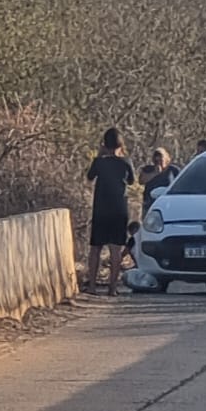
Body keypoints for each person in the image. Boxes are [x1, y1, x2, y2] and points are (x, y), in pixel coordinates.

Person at [86, 127, 135, 296]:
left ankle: (91, 286)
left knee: (96, 248)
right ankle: (112, 288)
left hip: (101, 209)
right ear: (120, 144)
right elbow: (131, 180)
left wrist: (99, 156)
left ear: (104, 144)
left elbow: (90, 177)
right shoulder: (126, 162)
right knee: (115, 249)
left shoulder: (99, 162)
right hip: (119, 209)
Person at [142, 147, 180, 214]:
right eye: (156, 161)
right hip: (149, 203)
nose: (159, 163)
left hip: (168, 203)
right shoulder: (148, 169)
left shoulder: (173, 170)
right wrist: (155, 173)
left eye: (161, 160)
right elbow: (142, 181)